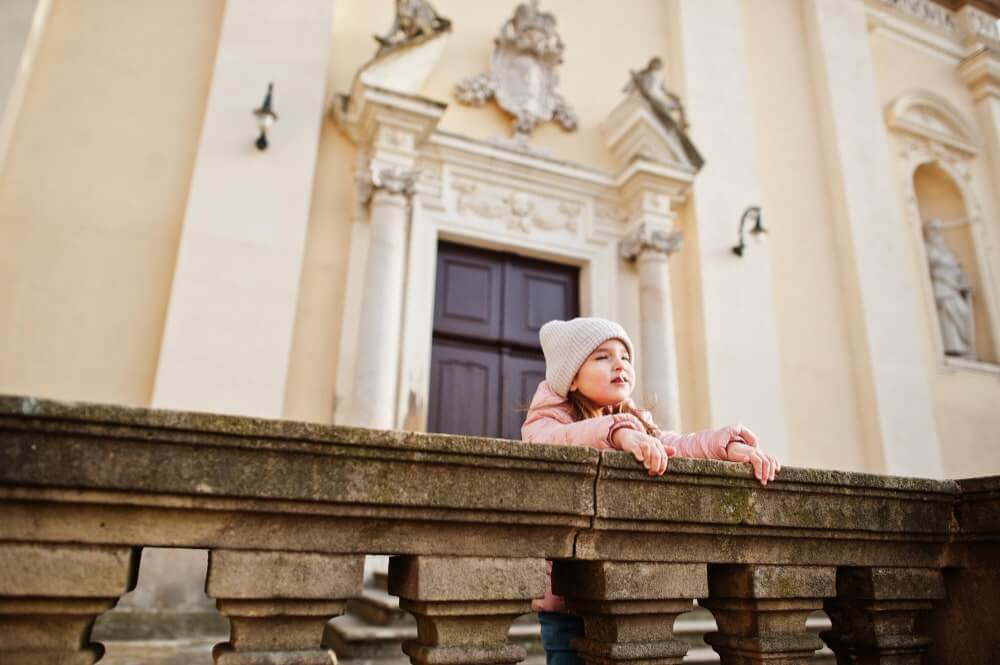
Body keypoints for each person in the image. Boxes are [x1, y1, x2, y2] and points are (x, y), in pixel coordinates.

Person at [522, 317, 780, 665]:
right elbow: (554, 441)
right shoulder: (547, 421)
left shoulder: (635, 421)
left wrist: (728, 447)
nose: (619, 364)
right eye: (602, 357)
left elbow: (677, 445)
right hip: (568, 600)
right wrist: (619, 433)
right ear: (570, 377)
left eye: (625, 356)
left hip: (624, 587)